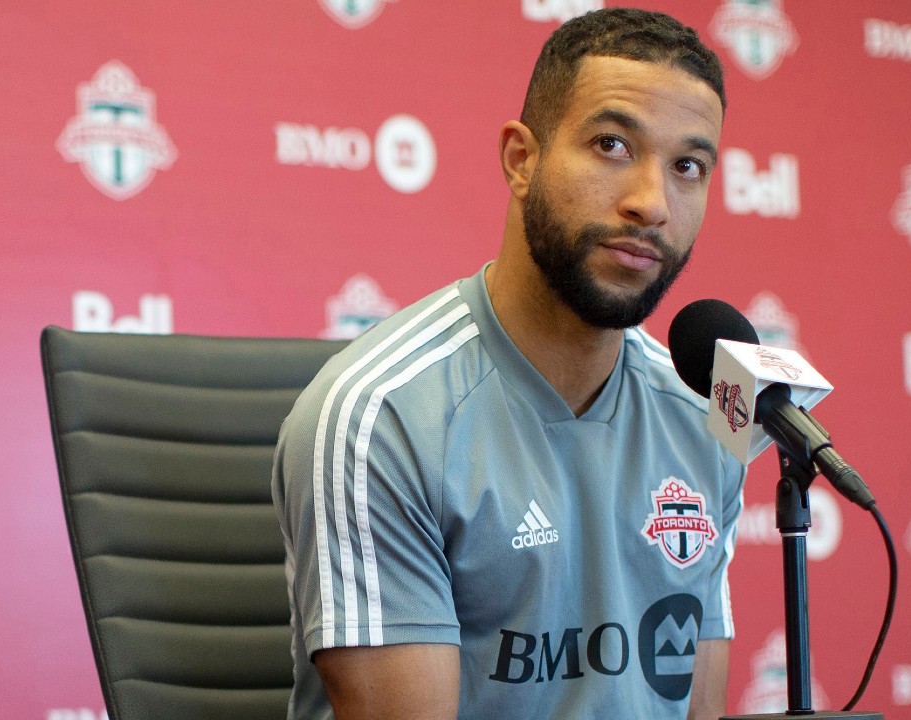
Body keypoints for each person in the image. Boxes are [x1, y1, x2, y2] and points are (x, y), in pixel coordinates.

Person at [272, 8, 743, 719]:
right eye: (612, 145)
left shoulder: (709, 413)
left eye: (687, 167)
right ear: (522, 159)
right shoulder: (380, 419)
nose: (652, 204)